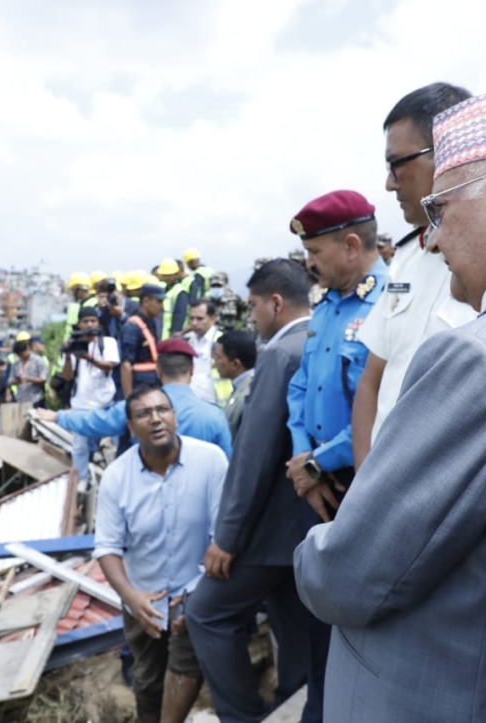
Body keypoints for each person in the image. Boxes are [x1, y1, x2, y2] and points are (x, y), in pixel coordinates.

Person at [293, 92, 486, 723]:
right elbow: (369, 383)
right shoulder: (405, 266)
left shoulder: (473, 359)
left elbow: (345, 574)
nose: (430, 233)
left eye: (443, 207)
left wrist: (334, 540)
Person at [186, 259, 311, 723]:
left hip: (268, 530)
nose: (252, 317)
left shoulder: (278, 354)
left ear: (275, 303)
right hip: (306, 528)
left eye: (255, 306)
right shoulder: (320, 338)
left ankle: (240, 715)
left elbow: (253, 456)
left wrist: (228, 538)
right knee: (295, 627)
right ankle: (294, 705)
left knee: (206, 614)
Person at [285, 190, 387, 723]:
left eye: (316, 253)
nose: (310, 265)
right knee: (317, 617)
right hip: (314, 483)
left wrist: (318, 463)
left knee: (355, 620)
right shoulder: (327, 306)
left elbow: (384, 407)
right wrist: (304, 462)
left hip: (357, 482)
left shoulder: (391, 303)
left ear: (351, 245)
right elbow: (300, 390)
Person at [352, 82, 475, 469]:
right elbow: (372, 379)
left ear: (448, 151)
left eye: (397, 163)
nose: (390, 182)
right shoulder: (406, 257)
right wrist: (365, 488)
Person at [95, 384, 228, 723]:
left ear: (175, 416)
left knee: (208, 676)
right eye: (143, 414)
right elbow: (108, 548)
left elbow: (225, 537)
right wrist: (130, 597)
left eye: (162, 410)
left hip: (199, 592)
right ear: (130, 427)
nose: (155, 419)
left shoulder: (210, 461)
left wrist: (199, 593)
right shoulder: (116, 477)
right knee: (149, 682)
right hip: (145, 602)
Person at [36, 338, 232, 460]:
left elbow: (96, 422)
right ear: (192, 369)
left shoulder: (137, 408)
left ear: (158, 370)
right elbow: (227, 465)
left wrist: (58, 417)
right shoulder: (214, 415)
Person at [61, 306, 120, 484]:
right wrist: (69, 354)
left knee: (112, 444)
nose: (89, 325)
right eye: (85, 321)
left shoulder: (107, 342)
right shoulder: (74, 343)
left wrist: (88, 358)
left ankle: (114, 479)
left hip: (105, 402)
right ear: (78, 324)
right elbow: (68, 376)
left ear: (98, 323)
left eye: (92, 321)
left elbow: (109, 366)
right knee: (79, 448)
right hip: (81, 404)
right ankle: (81, 482)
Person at [120, 284, 164, 398]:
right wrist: (129, 400)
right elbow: (126, 365)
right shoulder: (132, 327)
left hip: (152, 385)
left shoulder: (152, 323)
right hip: (139, 388)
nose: (161, 306)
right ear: (146, 301)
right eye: (159, 301)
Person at [212, 330, 257, 439]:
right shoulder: (244, 387)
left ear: (235, 364)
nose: (214, 364)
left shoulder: (248, 395)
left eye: (218, 358)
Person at [186, 300, 232, 407]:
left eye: (200, 319)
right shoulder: (189, 342)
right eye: (191, 318)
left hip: (218, 403)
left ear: (213, 319)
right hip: (193, 402)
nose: (194, 323)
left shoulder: (223, 341)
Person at [8, 339, 48, 408]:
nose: (21, 356)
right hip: (20, 399)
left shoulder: (38, 361)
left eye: (23, 353)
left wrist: (28, 379)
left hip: (35, 399)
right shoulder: (16, 364)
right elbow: (10, 380)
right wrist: (17, 381)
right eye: (19, 355)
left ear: (27, 349)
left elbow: (43, 379)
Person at [157, 258, 189, 339]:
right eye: (164, 275)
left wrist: (174, 335)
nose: (167, 278)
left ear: (176, 275)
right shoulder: (162, 288)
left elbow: (180, 315)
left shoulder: (180, 291)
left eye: (169, 275)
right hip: (160, 333)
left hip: (171, 335)